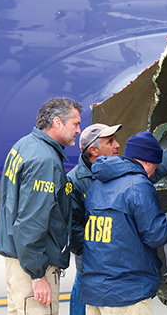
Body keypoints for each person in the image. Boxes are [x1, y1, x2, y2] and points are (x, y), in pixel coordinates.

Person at [81, 131, 167, 314]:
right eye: (155, 164)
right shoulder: (139, 185)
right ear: (148, 161)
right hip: (127, 293)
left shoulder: (97, 184)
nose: (155, 170)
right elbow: (156, 235)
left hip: (96, 292)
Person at [0, 97, 83, 315]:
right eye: (76, 124)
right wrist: (37, 275)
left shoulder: (25, 145)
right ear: (57, 122)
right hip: (32, 265)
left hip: (17, 258)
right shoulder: (45, 160)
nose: (79, 130)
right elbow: (31, 221)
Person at [67, 123, 122, 315]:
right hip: (90, 269)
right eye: (110, 141)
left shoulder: (118, 172)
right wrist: (101, 249)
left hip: (112, 267)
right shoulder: (74, 182)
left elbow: (155, 168)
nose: (118, 145)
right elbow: (73, 232)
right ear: (93, 150)